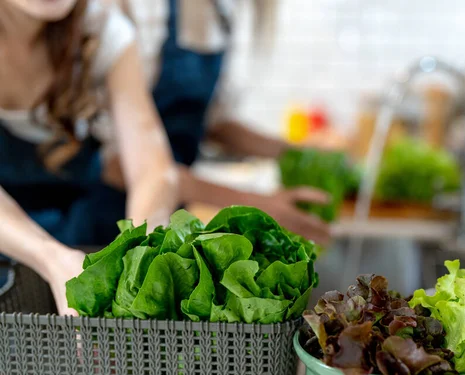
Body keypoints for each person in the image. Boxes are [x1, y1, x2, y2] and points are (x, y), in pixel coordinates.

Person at [0, 0, 178, 316]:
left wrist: (139, 261)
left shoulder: (103, 30)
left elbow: (153, 170)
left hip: (80, 240)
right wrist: (52, 258)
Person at [107, 0, 333, 245]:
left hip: (169, 212)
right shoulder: (143, 8)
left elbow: (214, 123)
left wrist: (301, 154)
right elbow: (116, 163)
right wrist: (256, 204)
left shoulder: (221, 12)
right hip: (109, 218)